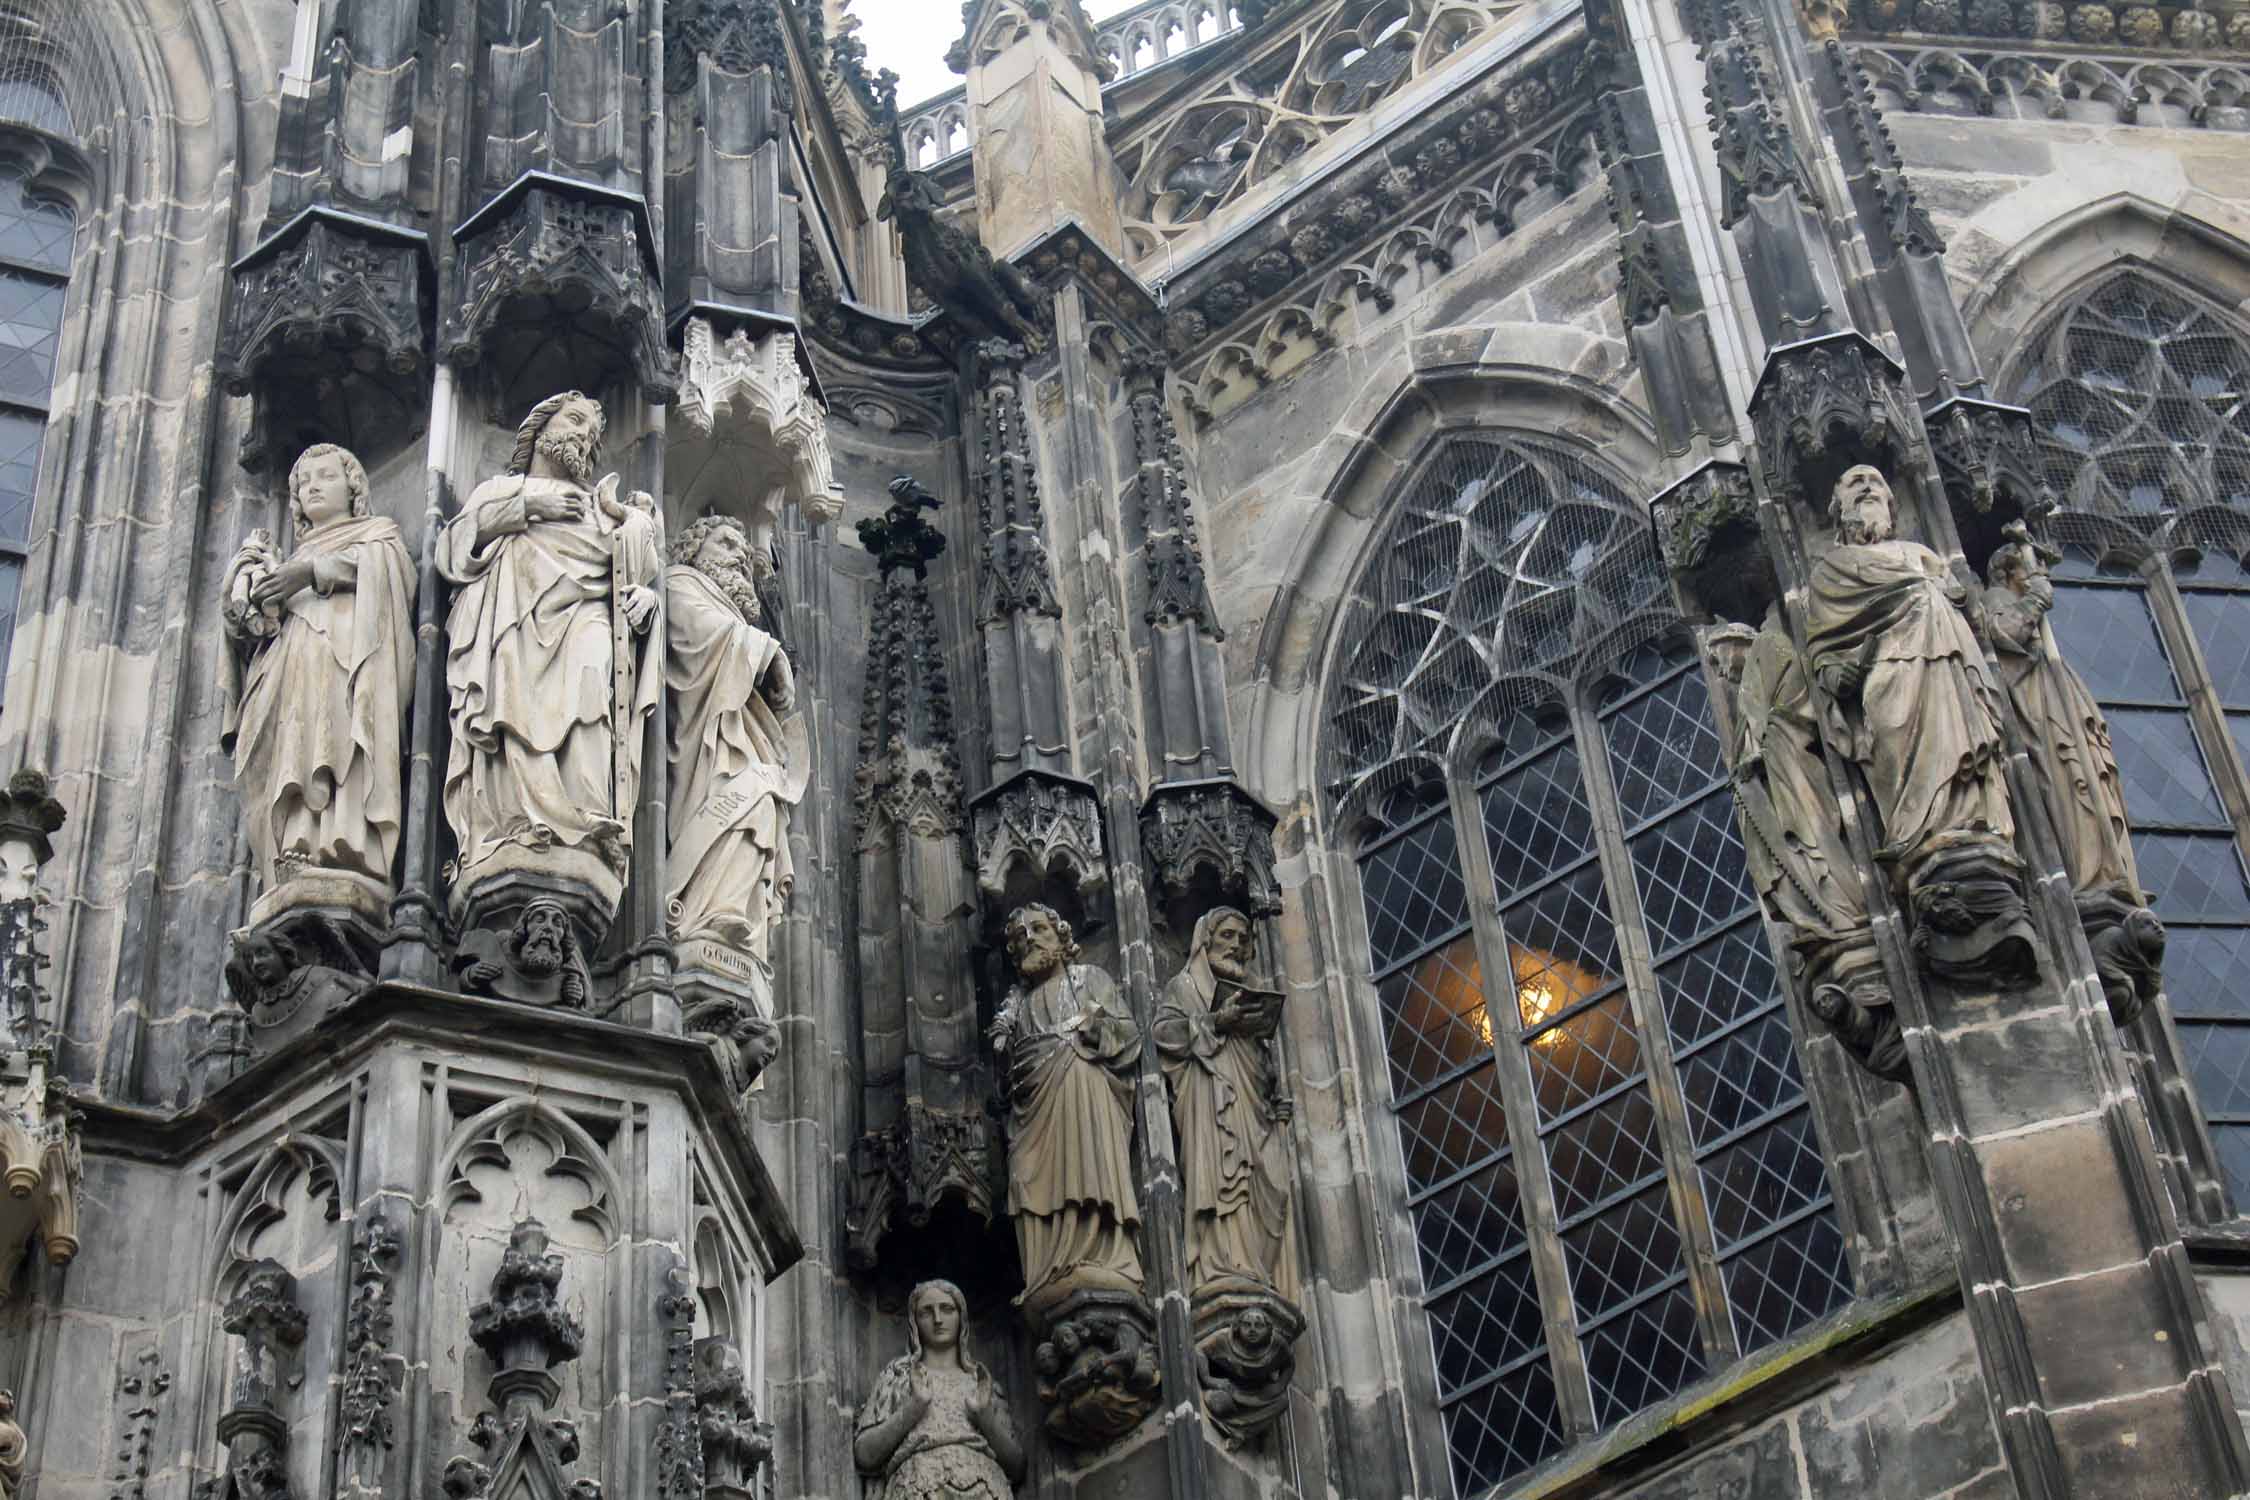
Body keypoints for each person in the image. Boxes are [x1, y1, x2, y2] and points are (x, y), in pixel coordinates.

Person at [437, 393, 663, 907]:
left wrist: (645, 590)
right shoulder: (501, 488)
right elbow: (454, 550)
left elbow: (634, 570)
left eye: (594, 429)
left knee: (589, 691)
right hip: (510, 627)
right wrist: (526, 508)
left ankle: (581, 822)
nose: (586, 433)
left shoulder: (601, 505)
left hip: (584, 621)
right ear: (540, 428)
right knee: (510, 706)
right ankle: (513, 823)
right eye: (576, 419)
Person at [221, 443, 415, 917]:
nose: (311, 487)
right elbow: (247, 631)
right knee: (294, 749)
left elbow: (396, 576)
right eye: (303, 482)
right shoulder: (282, 556)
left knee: (343, 745)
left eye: (324, 477)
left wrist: (312, 571)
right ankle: (295, 846)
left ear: (353, 488)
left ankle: (345, 842)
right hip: (290, 673)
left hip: (349, 667)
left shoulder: (378, 534)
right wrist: (247, 584)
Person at [1804, 465, 2014, 868]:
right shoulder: (1830, 571)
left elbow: (1970, 611)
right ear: (1838, 506)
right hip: (1889, 677)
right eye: (1854, 482)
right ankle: (1920, 838)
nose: (1867, 486)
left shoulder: (1922, 556)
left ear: (1891, 503)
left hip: (1947, 666)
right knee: (1895, 738)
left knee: (1959, 740)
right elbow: (1822, 648)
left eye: (1876, 482)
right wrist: (1834, 673)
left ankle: (1971, 824)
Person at [663, 515, 799, 1000]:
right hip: (704, 756)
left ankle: (732, 920)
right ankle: (705, 916)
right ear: (694, 549)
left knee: (757, 816)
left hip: (740, 755)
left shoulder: (728, 611)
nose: (741, 553)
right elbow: (695, 636)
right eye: (726, 542)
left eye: (745, 546)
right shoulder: (680, 585)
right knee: (739, 814)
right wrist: (767, 652)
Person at [991, 904, 1144, 1312]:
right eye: (1020, 937)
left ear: (1062, 937)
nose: (1030, 940)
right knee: (1025, 1176)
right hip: (1034, 1110)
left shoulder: (1089, 979)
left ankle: (1103, 1255)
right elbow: (1008, 1078)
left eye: (1039, 929)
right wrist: (1003, 1047)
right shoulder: (1016, 1007)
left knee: (1087, 1166)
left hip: (1083, 1088)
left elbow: (1127, 1035)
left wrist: (1095, 1028)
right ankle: (1045, 1269)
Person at [1154, 906, 1299, 1303]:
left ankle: (1254, 1266)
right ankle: (1217, 1266)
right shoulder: (1184, 988)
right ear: (1206, 940)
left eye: (1243, 939)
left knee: (1269, 1180)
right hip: (1206, 1104)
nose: (1236, 945)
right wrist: (1217, 1020)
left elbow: (1258, 1065)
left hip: (1250, 1108)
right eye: (1227, 936)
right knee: (1220, 1177)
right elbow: (1164, 1034)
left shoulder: (1251, 991)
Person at [853, 1280, 1024, 1500]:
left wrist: (985, 1418)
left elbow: (1017, 1467)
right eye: (926, 1312)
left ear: (961, 1318)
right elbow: (865, 1454)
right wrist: (913, 1407)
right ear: (914, 1323)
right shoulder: (898, 1377)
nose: (938, 1319)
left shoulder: (980, 1383)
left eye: (947, 1309)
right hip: (918, 1488)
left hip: (987, 1489)